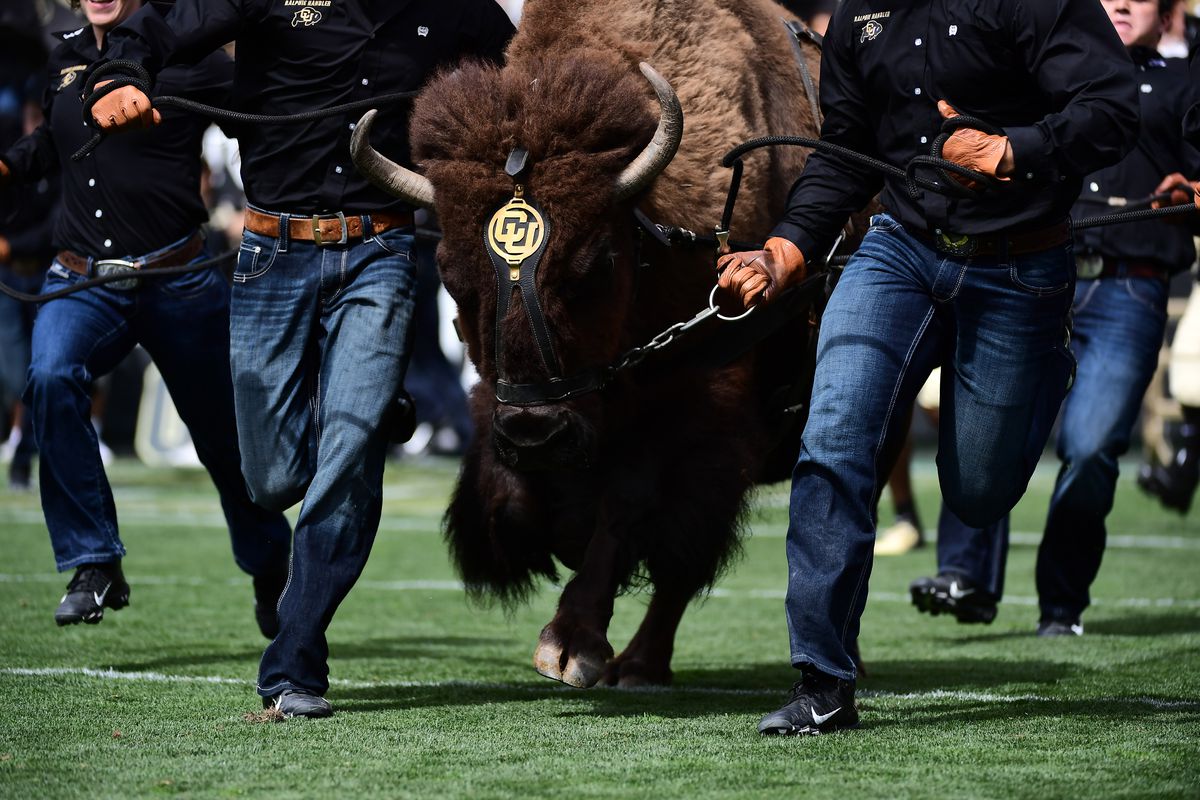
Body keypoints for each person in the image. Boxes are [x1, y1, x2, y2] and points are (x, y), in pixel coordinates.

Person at [718, 0, 1139, 735]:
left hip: (1020, 265)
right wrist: (786, 248)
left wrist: (1012, 151)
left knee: (978, 493)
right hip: (899, 250)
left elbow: (1112, 107)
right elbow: (845, 149)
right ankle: (823, 681)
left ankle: (1045, 364)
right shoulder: (860, 14)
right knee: (834, 437)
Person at [92, 0, 515, 718]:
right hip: (272, 252)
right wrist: (118, 76)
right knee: (270, 479)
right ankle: (365, 404)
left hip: (380, 250)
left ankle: (294, 665)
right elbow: (161, 23)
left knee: (348, 459)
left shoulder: (455, 7)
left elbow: (527, 78)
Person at [0, 0, 293, 635]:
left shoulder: (193, 58)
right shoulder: (64, 55)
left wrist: (274, 205)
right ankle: (94, 560)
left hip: (177, 278)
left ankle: (271, 563)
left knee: (224, 441)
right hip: (82, 278)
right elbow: (52, 143)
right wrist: (9, 166)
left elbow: (263, 122)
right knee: (50, 376)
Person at [911, 0, 1200, 637]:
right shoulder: (1037, 64)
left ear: (1168, 16)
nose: (1119, 3)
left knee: (1091, 448)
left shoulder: (1188, 85)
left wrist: (1193, 191)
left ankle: (1062, 606)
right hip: (1030, 272)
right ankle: (966, 575)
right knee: (984, 423)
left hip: (1127, 286)